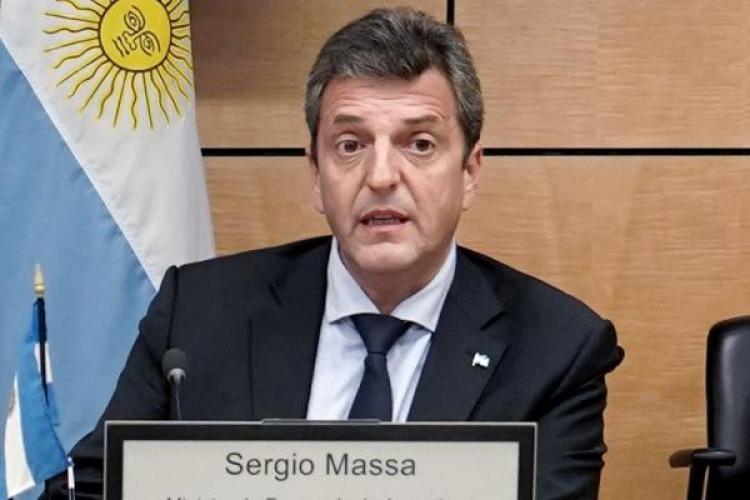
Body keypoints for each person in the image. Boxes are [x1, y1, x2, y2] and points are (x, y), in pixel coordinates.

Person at [49, 7, 623, 499]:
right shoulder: (198, 314)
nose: (381, 176)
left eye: (420, 144)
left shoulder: (555, 350)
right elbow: (91, 488)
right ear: (316, 174)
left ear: (469, 172)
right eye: (350, 145)